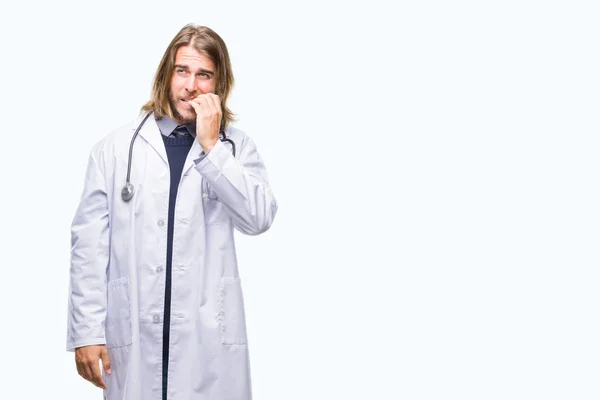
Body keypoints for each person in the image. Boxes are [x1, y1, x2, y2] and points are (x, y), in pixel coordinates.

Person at [66, 24, 278, 400]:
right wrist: (87, 332)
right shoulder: (114, 149)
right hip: (133, 334)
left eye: (204, 75)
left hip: (207, 341)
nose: (191, 86)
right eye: (182, 71)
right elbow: (88, 248)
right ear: (166, 75)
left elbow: (258, 218)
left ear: (220, 84)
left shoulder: (236, 148)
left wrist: (212, 148)